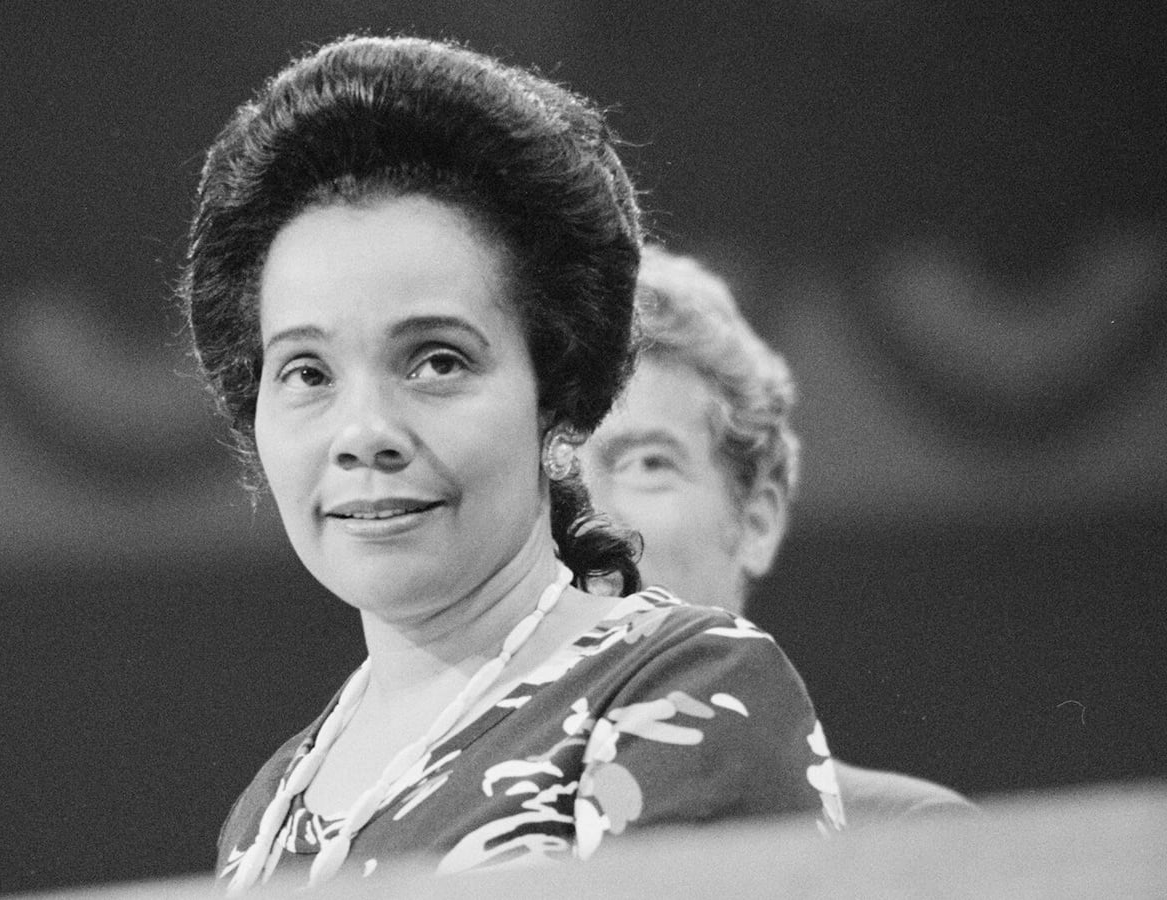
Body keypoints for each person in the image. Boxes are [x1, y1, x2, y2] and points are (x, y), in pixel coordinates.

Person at [180, 36, 844, 894]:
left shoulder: (678, 689)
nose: (365, 431)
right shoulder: (269, 809)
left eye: (436, 361)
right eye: (307, 373)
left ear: (558, 394)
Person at [581, 245, 974, 826]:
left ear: (756, 521)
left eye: (648, 463)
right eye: (552, 473)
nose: (589, 519)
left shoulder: (913, 834)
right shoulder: (426, 847)